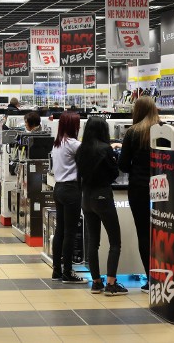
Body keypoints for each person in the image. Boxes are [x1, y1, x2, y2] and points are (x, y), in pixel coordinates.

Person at [76, 117, 128, 296]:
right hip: (103, 196)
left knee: (93, 242)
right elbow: (114, 172)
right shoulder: (105, 149)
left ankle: (96, 282)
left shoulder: (81, 149)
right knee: (115, 242)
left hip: (86, 198)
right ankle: (111, 284)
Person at [117, 96, 160, 293]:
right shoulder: (165, 130)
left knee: (143, 234)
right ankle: (164, 276)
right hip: (163, 189)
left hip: (139, 189)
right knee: (162, 233)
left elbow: (123, 165)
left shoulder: (133, 133)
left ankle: (150, 279)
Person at [50, 112, 86, 284]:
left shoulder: (57, 144)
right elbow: (89, 156)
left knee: (60, 231)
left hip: (58, 188)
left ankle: (57, 270)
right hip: (71, 189)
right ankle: (68, 272)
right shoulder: (73, 144)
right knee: (70, 233)